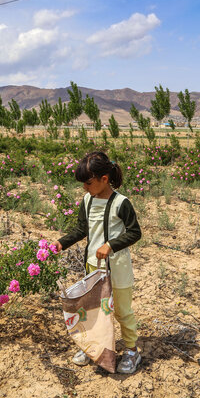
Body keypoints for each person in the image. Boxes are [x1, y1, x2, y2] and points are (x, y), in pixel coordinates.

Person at [51, 151, 142, 374]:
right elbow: (82, 229)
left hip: (117, 268)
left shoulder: (122, 203)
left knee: (121, 310)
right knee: (94, 311)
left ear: (104, 179)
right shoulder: (87, 200)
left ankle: (131, 350)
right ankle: (96, 348)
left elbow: (135, 233)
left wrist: (110, 245)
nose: (85, 188)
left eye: (88, 183)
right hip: (93, 267)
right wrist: (62, 243)